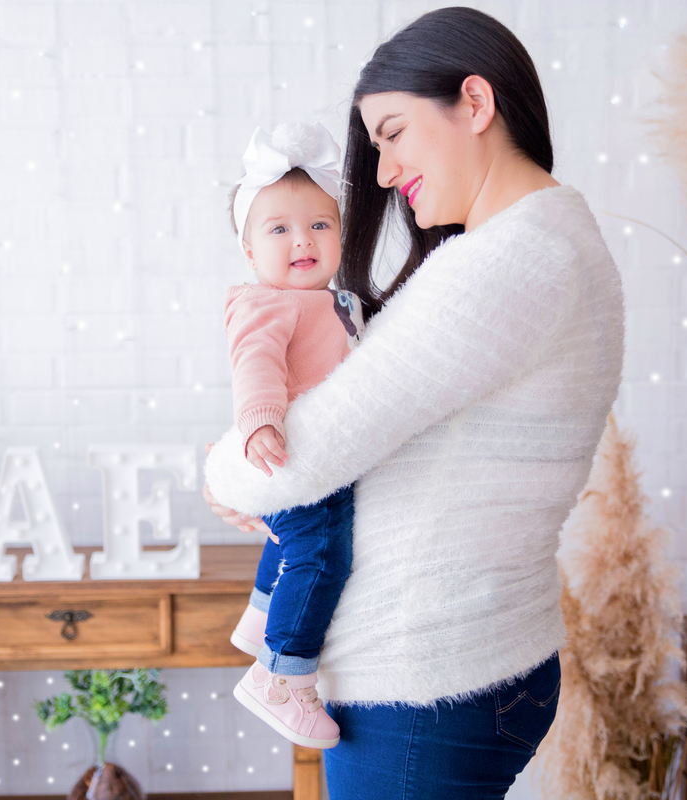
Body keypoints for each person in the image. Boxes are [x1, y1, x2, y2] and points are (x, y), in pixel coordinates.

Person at [202, 7, 625, 798]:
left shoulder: (508, 262)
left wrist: (224, 472)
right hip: (476, 662)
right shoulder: (552, 239)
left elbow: (306, 453)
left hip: (422, 683)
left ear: (474, 103)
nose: (386, 173)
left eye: (392, 133)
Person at [221, 122, 365, 750]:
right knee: (322, 552)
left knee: (292, 544)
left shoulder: (337, 300)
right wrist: (258, 423)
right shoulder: (266, 303)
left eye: (319, 225)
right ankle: (281, 676)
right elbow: (255, 361)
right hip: (300, 456)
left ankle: (260, 614)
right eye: (278, 229)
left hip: (323, 455)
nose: (301, 240)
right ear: (251, 252)